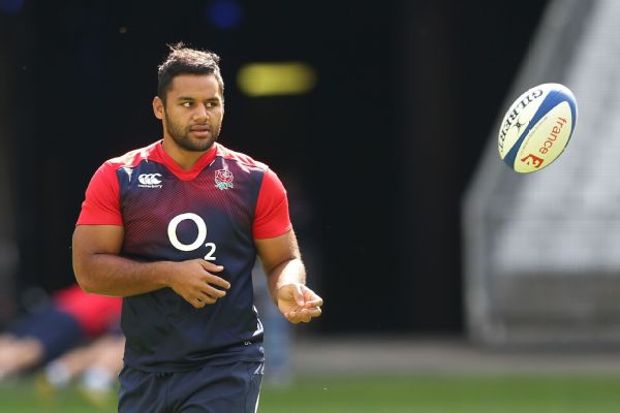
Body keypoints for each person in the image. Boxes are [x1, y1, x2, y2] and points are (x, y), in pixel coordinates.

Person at [72, 43, 323, 413]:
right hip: (146, 369)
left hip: (228, 364)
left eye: (212, 103)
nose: (202, 114)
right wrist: (170, 274)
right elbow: (89, 271)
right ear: (160, 108)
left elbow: (283, 258)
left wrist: (287, 285)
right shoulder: (118, 177)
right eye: (188, 104)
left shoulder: (255, 180)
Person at [0, 284, 122, 380]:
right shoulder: (127, 298)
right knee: (31, 349)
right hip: (73, 320)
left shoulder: (101, 282)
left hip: (56, 307)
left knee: (12, 339)